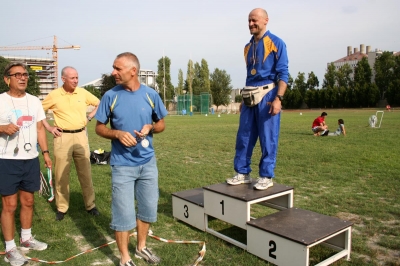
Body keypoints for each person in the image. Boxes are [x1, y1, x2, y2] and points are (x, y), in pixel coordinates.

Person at [95, 52, 167, 266]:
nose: (113, 72)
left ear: (133, 71)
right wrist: (116, 134)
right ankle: (124, 258)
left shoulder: (151, 94)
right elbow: (99, 127)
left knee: (147, 208)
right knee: (123, 214)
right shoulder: (110, 95)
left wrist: (151, 127)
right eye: (113, 68)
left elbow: (162, 124)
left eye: (117, 68)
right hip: (122, 166)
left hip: (148, 164)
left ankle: (141, 247)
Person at [226, 8, 289, 190]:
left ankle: (266, 176)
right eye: (249, 21)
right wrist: (243, 98)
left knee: (268, 136)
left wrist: (278, 98)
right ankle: (242, 172)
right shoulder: (247, 47)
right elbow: (250, 75)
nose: (251, 24)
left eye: (254, 20)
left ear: (265, 21)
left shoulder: (276, 43)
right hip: (249, 95)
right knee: (244, 136)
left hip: (268, 93)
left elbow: (283, 74)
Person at [0, 62, 52, 266]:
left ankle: (27, 238)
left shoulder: (34, 101)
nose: (23, 78)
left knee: (29, 201)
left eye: (25, 75)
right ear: (7, 79)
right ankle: (11, 248)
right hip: (7, 160)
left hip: (30, 159)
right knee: (10, 205)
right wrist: (2, 128)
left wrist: (45, 153)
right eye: (17, 75)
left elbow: (40, 129)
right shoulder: (1, 100)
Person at [41, 66, 100, 221]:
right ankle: (62, 208)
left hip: (81, 135)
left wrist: (89, 118)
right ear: (63, 79)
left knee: (85, 173)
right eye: (72, 78)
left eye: (77, 77)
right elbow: (38, 111)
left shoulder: (82, 92)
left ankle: (91, 205)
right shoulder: (54, 95)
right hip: (62, 137)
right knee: (61, 175)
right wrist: (49, 127)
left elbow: (99, 103)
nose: (76, 80)